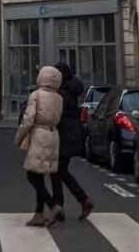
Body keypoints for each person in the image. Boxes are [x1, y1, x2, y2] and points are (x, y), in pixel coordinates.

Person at [15, 65, 63, 227]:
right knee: (40, 175)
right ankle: (38, 213)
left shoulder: (36, 95)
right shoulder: (59, 97)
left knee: (32, 175)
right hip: (53, 135)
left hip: (39, 135)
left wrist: (18, 138)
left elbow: (28, 120)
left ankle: (52, 205)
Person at [50, 62, 93, 221]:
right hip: (72, 136)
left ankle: (67, 203)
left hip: (65, 136)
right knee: (59, 170)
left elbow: (56, 115)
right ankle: (65, 204)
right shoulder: (71, 90)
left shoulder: (63, 94)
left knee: (58, 170)